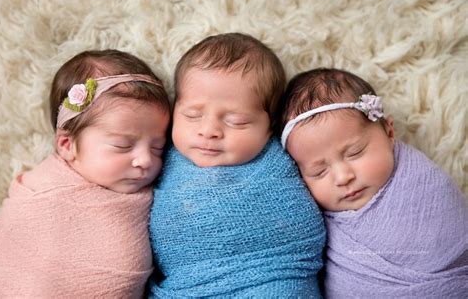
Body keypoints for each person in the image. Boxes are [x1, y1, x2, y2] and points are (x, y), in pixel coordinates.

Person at [149, 33, 326, 297]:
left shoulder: (282, 159)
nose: (208, 131)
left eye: (237, 121)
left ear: (271, 126)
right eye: (192, 115)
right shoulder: (156, 155)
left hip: (276, 281)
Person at [0, 49, 171, 298]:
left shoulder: (155, 193)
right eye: (122, 145)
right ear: (67, 145)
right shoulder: (39, 193)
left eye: (157, 147)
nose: (145, 160)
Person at [280, 67, 468, 298]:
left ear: (389, 132)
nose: (343, 177)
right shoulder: (307, 217)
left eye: (355, 153)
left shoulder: (424, 184)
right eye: (319, 171)